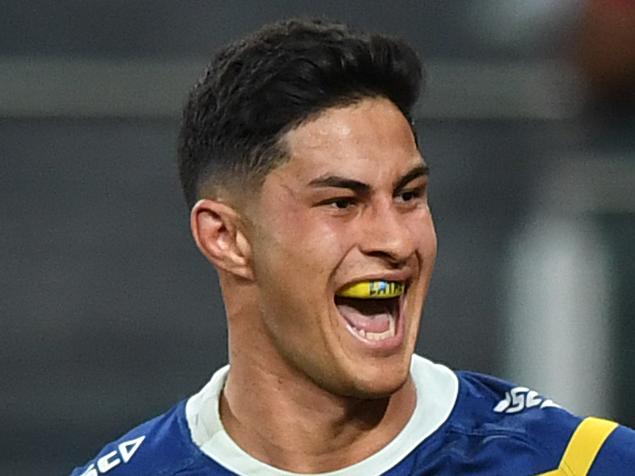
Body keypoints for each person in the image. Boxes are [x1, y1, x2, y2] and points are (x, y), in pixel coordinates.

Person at [70, 18, 635, 476]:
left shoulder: (573, 464)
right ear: (227, 238)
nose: (395, 240)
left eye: (409, 195)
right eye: (342, 202)